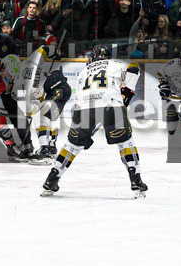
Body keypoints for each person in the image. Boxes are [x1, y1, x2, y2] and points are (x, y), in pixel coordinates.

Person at [41, 45, 147, 197]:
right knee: (125, 142)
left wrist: (83, 127)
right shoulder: (114, 64)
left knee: (72, 146)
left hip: (83, 109)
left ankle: (52, 179)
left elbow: (78, 98)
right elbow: (134, 67)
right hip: (111, 104)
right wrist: (127, 93)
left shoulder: (83, 72)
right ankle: (136, 180)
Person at [16, 36, 72, 164]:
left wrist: (54, 51)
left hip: (59, 89)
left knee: (43, 116)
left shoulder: (31, 63)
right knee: (48, 117)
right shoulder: (22, 83)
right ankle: (51, 147)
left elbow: (44, 49)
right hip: (57, 90)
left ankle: (45, 150)